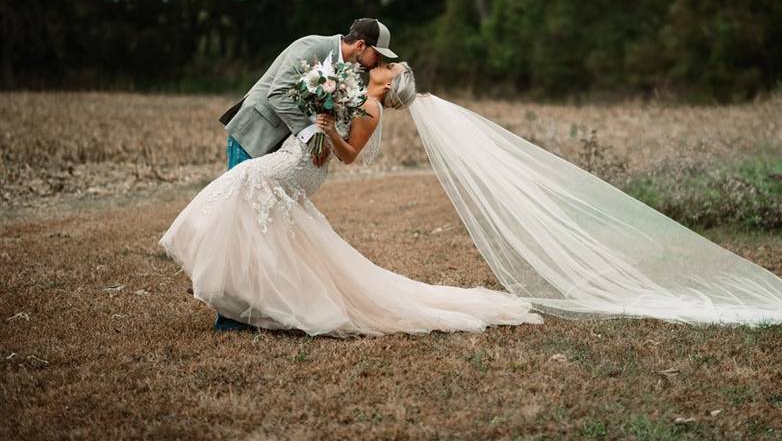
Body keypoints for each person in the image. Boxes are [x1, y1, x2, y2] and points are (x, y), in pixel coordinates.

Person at [159, 60, 545, 337]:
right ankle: (247, 300)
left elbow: (348, 154)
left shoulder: (371, 107)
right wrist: (318, 112)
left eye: (389, 67)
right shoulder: (357, 94)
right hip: (299, 159)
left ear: (389, 83)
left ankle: (242, 297)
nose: (384, 64)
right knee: (256, 213)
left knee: (240, 184)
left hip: (299, 166)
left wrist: (325, 129)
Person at [209, 17, 400, 331]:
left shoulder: (349, 72)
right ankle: (229, 315)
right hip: (255, 134)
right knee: (239, 222)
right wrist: (312, 135)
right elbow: (278, 95)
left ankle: (251, 309)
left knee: (262, 228)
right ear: (361, 45)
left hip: (282, 148)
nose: (376, 62)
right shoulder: (311, 47)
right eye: (377, 56)